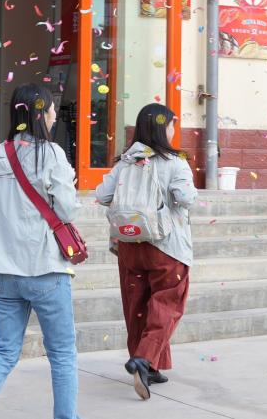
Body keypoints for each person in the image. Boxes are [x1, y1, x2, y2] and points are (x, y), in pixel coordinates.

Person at [0, 84, 82, 419]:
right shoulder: (52, 154)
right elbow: (67, 210)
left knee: (4, 351)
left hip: (3, 271)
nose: (54, 115)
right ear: (41, 113)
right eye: (51, 108)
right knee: (62, 354)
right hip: (44, 269)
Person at [94, 104, 197, 400]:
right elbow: (185, 197)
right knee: (168, 303)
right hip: (165, 245)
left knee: (137, 306)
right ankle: (144, 358)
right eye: (172, 124)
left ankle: (149, 367)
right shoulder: (175, 163)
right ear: (164, 128)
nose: (173, 129)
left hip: (129, 244)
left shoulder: (125, 162)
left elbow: (102, 195)